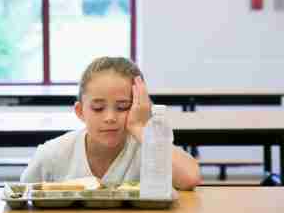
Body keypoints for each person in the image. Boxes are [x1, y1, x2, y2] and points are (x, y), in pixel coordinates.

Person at [21, 56, 201, 190]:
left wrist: (142, 127)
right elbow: (22, 197)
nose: (110, 118)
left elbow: (190, 177)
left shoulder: (146, 147)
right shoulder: (54, 154)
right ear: (80, 111)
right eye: (98, 108)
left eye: (123, 107)